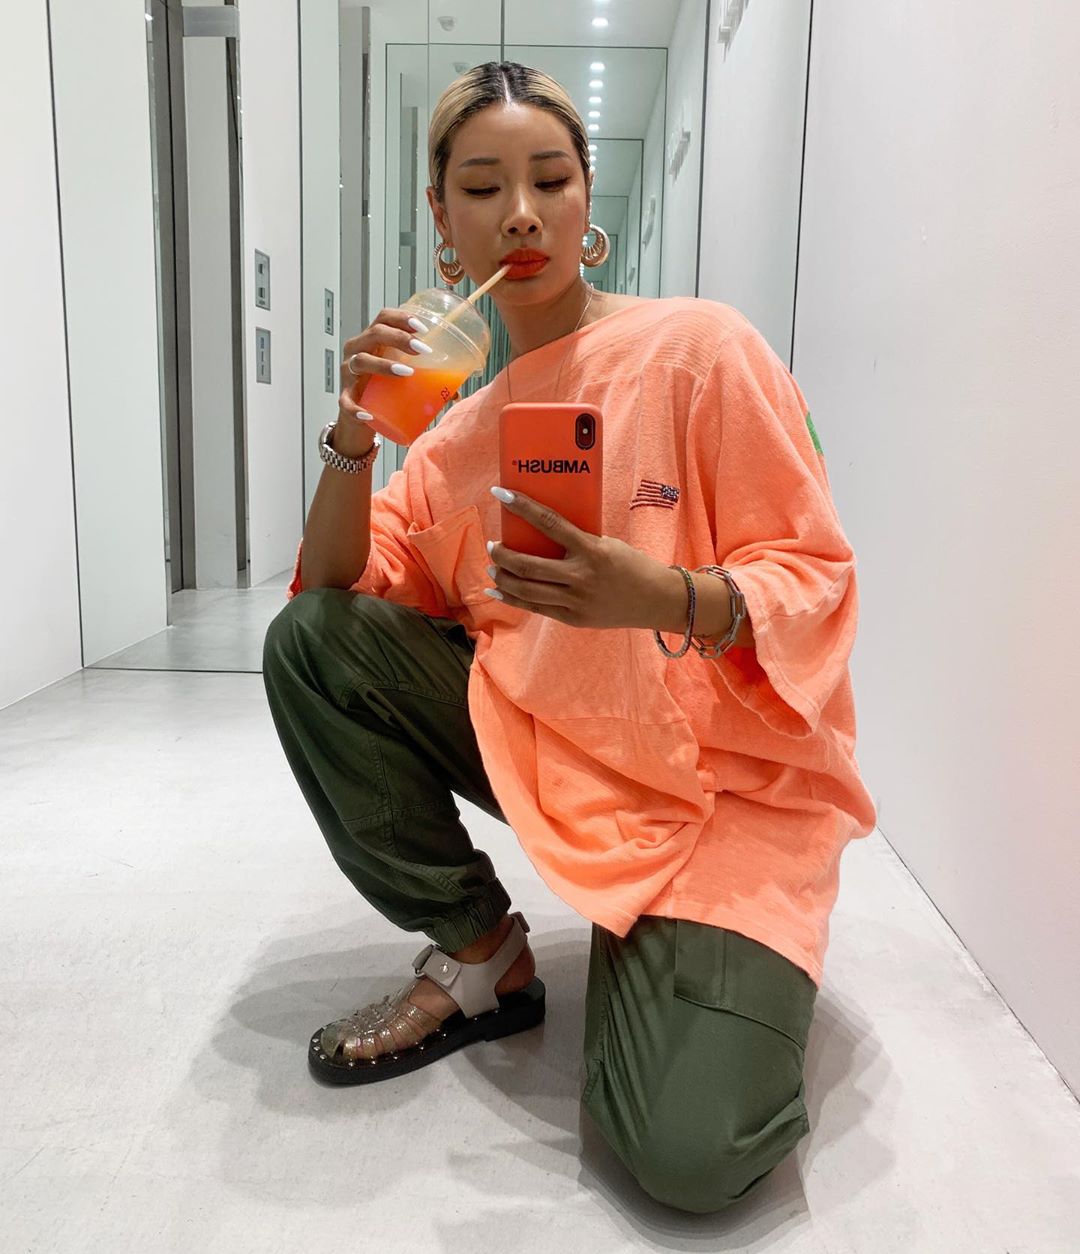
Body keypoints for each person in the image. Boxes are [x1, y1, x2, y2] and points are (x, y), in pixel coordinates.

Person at [262, 61, 877, 1214]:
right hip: (558, 755)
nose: (521, 214)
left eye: (550, 179)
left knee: (690, 1158)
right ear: (443, 223)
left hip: (719, 794)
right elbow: (339, 593)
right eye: (482, 188)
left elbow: (814, 576)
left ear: (588, 200)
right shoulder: (454, 440)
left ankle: (690, 954)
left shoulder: (702, 350)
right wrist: (352, 436)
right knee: (309, 641)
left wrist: (666, 596)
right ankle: (481, 952)